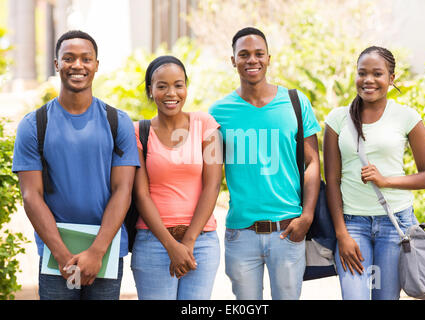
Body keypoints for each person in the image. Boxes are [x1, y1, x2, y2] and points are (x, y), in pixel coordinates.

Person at [12, 30, 140, 300]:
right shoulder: (33, 125)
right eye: (69, 58)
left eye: (86, 59)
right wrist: (61, 255)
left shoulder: (119, 122)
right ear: (57, 64)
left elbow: (123, 191)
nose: (78, 65)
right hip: (56, 256)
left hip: (105, 251)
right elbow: (31, 195)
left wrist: (96, 251)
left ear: (96, 65)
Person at [209, 27, 322, 300]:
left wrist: (306, 216)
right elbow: (209, 177)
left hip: (288, 229)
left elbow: (312, 162)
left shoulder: (295, 102)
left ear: (269, 58)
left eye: (259, 54)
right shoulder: (219, 112)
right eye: (244, 54)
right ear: (233, 60)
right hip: (240, 234)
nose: (252, 60)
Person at [323, 46, 425, 300]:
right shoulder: (337, 119)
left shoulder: (407, 117)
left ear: (391, 78)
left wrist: (386, 181)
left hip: (395, 225)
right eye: (362, 73)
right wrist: (342, 233)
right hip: (353, 225)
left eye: (377, 74)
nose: (369, 80)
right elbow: (331, 181)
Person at [130, 55, 222, 300]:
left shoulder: (205, 124)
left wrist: (188, 243)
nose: (171, 93)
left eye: (178, 85)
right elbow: (141, 194)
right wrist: (172, 247)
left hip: (201, 243)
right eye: (162, 86)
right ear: (151, 90)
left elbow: (213, 186)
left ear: (186, 88)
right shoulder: (138, 131)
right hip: (153, 242)